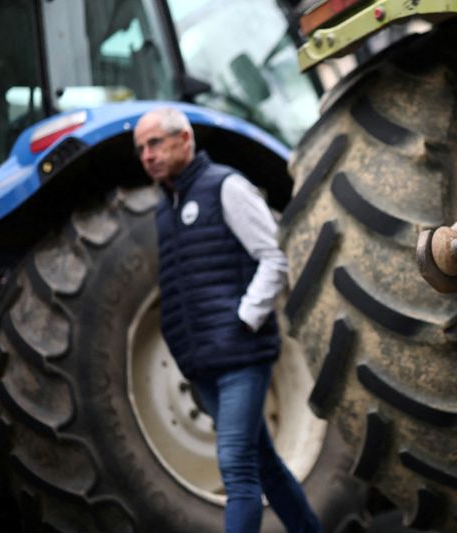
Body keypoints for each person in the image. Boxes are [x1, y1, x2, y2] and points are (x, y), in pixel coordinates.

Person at [134, 107, 321, 533]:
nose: (147, 155)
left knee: (236, 467)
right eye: (141, 148)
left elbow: (274, 256)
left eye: (155, 143)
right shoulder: (164, 209)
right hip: (202, 364)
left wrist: (245, 319)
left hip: (240, 357)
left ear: (184, 139)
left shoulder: (226, 187)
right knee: (266, 465)